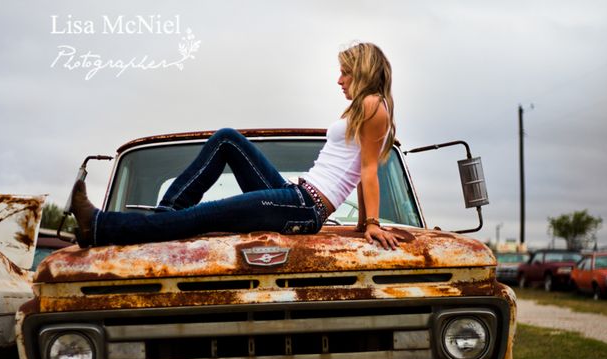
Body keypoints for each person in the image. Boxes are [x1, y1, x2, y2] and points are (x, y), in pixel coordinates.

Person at [71, 42, 401, 250]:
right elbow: (360, 168)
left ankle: (99, 227)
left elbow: (369, 169)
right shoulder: (368, 107)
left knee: (201, 217)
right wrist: (361, 225)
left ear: (362, 70)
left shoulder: (373, 104)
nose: (339, 80)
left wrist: (371, 224)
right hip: (296, 195)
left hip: (304, 206)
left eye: (345, 72)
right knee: (228, 139)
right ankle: (164, 218)